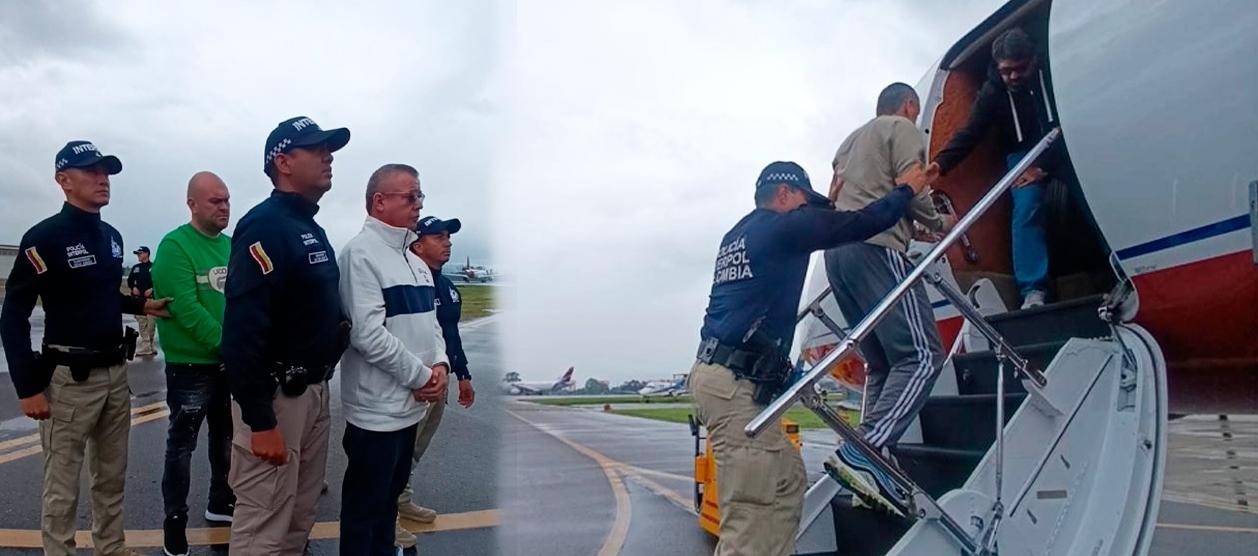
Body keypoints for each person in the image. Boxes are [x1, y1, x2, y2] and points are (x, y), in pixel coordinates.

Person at [692, 160, 928, 556]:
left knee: (786, 482)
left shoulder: (741, 234)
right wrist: (905, 190)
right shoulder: (784, 229)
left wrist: (825, 205)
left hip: (723, 375)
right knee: (750, 513)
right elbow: (858, 225)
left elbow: (816, 227)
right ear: (784, 193)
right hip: (735, 387)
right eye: (805, 202)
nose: (808, 211)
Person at [0, 140, 170, 556]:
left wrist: (141, 305)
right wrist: (28, 387)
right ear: (64, 180)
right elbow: (13, 315)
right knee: (62, 482)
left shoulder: (111, 237)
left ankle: (111, 547)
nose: (102, 179)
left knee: (112, 476)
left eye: (106, 171)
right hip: (68, 380)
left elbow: (101, 294)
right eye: (91, 171)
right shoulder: (44, 238)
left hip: (115, 373)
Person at [222, 117, 351, 555]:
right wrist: (261, 421)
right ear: (283, 162)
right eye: (316, 149)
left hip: (313, 390)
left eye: (328, 149)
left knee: (298, 517)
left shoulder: (309, 226)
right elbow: (241, 332)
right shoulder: (265, 226)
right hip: (278, 398)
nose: (328, 156)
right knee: (263, 523)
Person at [823, 83, 955, 514]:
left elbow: (849, 194)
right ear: (910, 106)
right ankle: (866, 450)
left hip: (837, 254)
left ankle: (869, 461)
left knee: (881, 363)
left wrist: (911, 227)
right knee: (922, 356)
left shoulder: (848, 142)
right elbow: (911, 187)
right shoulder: (902, 128)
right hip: (877, 249)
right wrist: (939, 223)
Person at [338, 163, 450, 554]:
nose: (419, 204)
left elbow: (432, 325)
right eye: (411, 196)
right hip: (377, 414)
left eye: (420, 196)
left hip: (410, 410)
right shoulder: (360, 255)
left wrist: (440, 364)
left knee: (388, 510)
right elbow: (367, 335)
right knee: (364, 513)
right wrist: (422, 377)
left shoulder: (417, 263)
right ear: (379, 201)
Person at [934, 27, 1062, 309]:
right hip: (1023, 153)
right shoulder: (993, 91)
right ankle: (1033, 290)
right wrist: (939, 165)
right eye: (1006, 71)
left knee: (1089, 186)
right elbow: (971, 132)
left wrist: (1046, 166)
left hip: (1064, 139)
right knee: (1025, 206)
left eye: (1020, 69)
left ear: (1034, 60)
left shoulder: (1054, 72)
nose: (1013, 76)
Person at [150, 171, 236, 556]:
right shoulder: (175, 246)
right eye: (215, 201)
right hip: (191, 365)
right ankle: (175, 523)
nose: (224, 207)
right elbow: (185, 307)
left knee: (225, 437)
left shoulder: (232, 246)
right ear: (192, 204)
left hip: (227, 362)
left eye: (227, 200)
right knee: (182, 445)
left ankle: (221, 500)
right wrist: (228, 345)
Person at [397, 215, 475, 531]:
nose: (448, 242)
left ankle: (401, 498)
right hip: (416, 381)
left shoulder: (447, 286)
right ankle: (387, 514)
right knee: (399, 447)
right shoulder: (408, 284)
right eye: (439, 237)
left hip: (441, 380)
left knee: (416, 447)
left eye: (448, 236)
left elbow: (451, 335)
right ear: (417, 245)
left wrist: (463, 375)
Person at [129, 246, 157, 356]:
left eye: (140, 253)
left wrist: (152, 289)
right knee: (142, 324)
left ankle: (150, 345)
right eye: (137, 254)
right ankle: (146, 347)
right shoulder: (136, 267)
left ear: (146, 254)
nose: (138, 255)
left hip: (151, 300)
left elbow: (160, 281)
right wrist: (133, 287)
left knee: (151, 325)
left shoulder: (154, 267)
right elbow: (130, 280)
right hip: (138, 300)